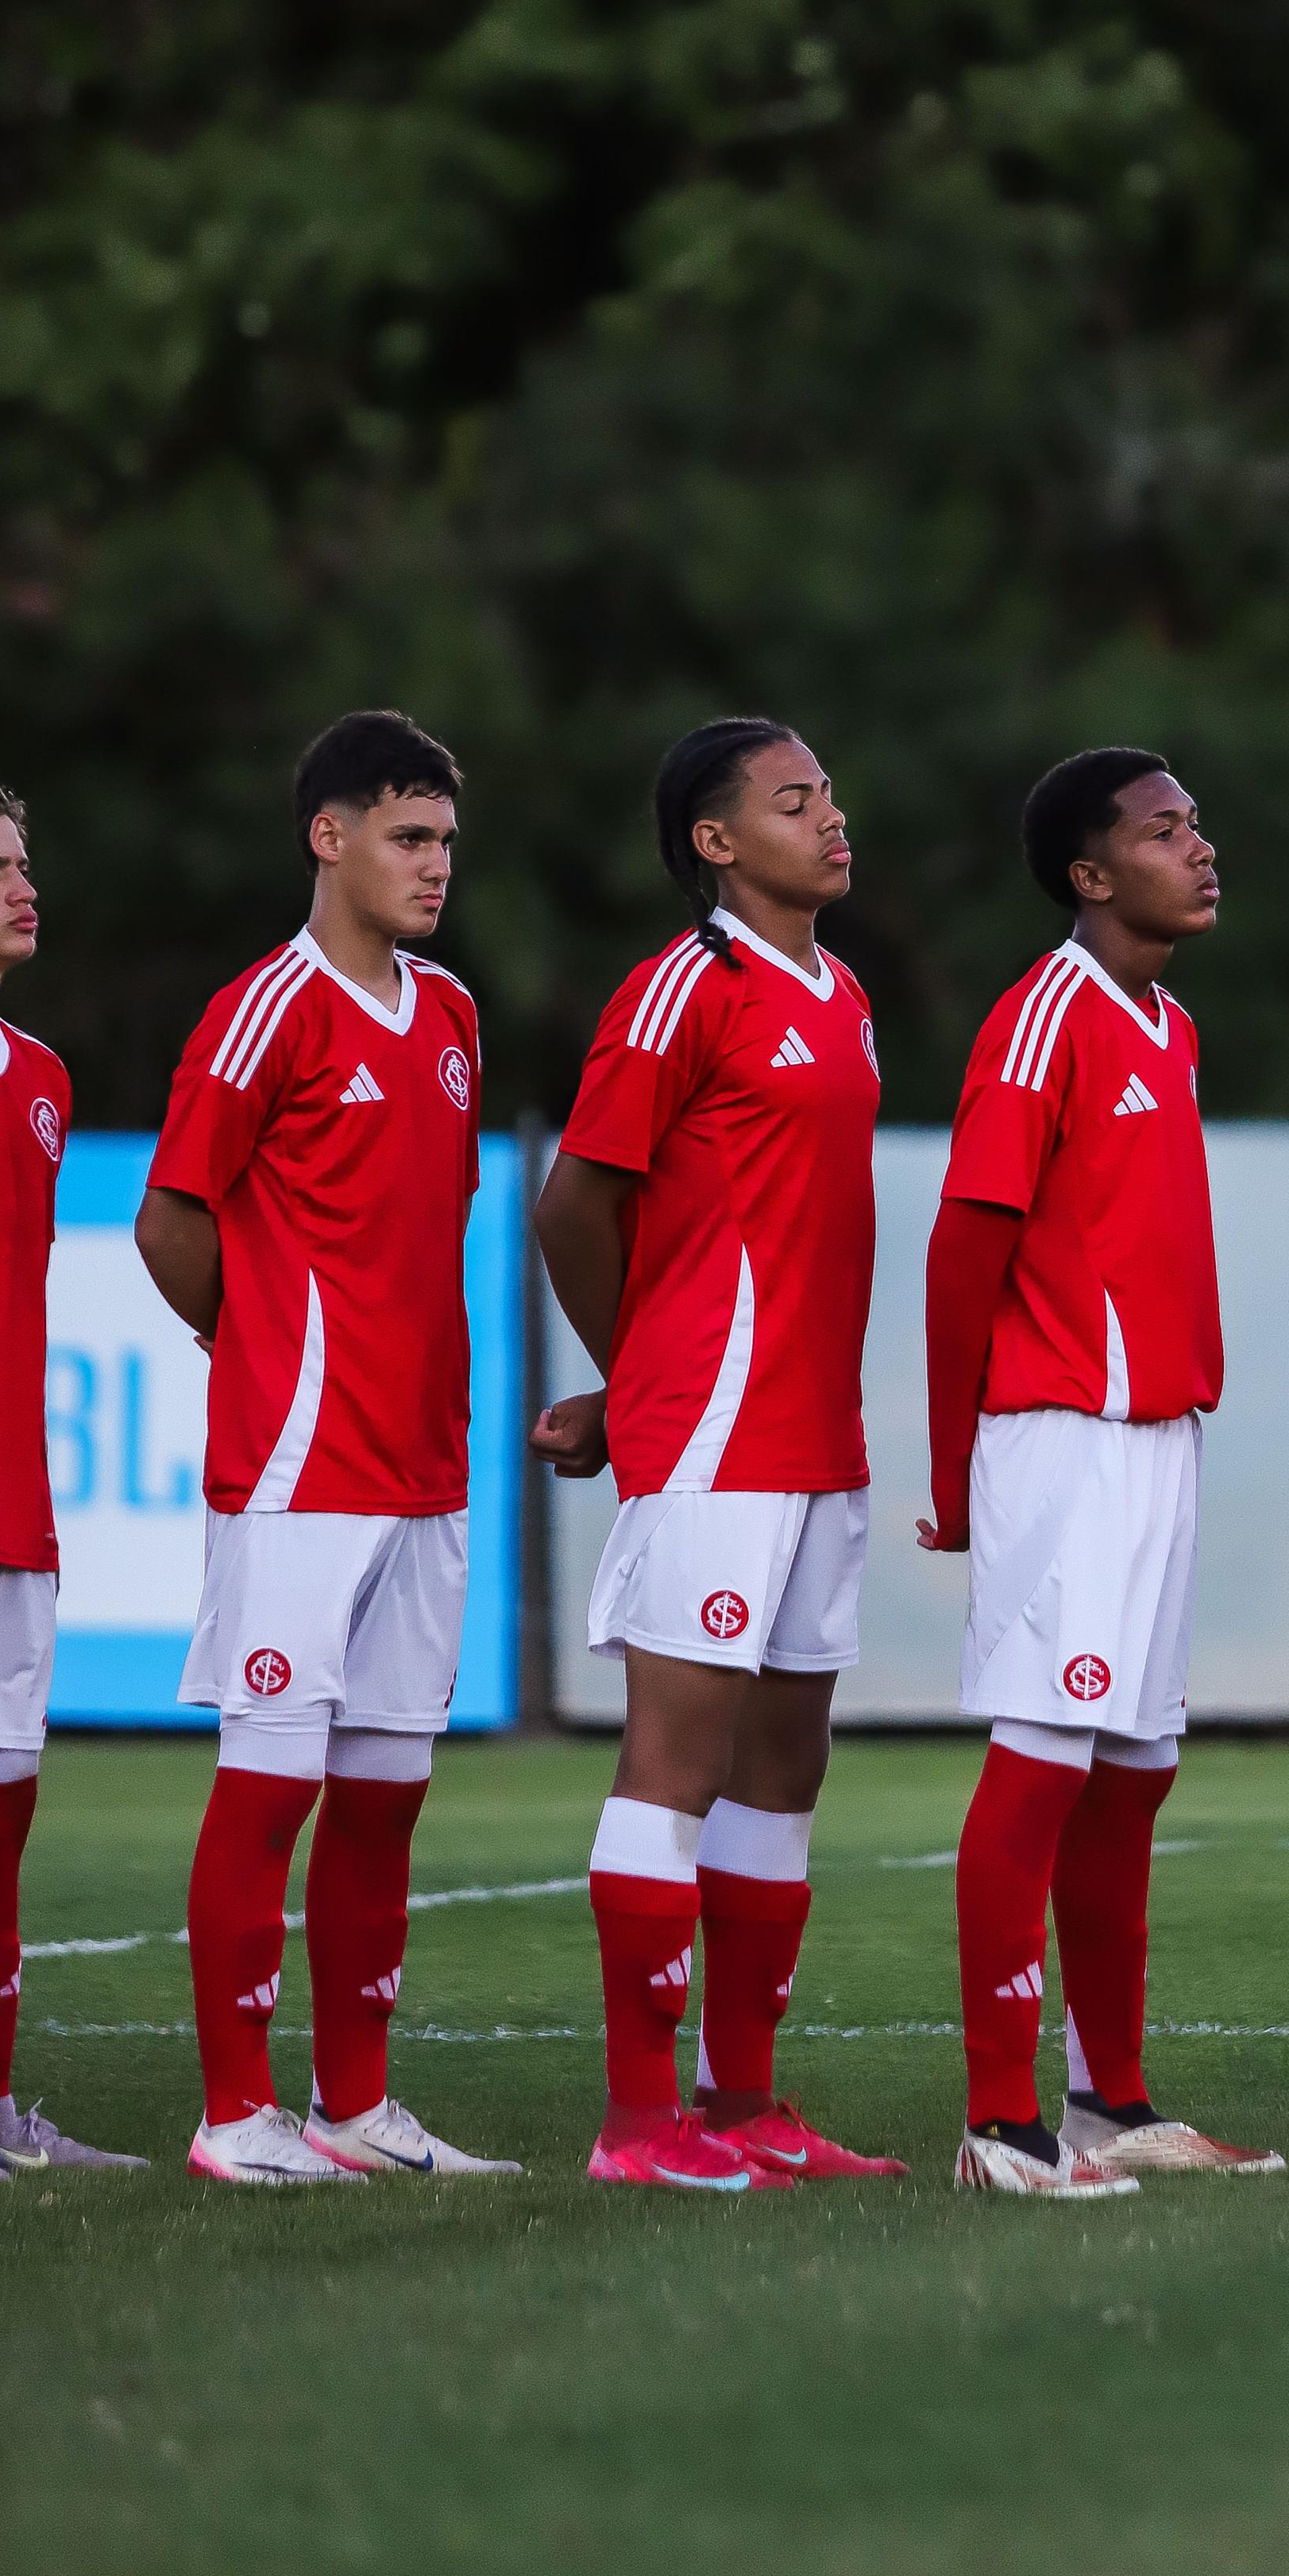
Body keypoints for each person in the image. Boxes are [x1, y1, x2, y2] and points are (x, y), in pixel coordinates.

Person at [137, 711, 516, 2184]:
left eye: (444, 843)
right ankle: (235, 2118)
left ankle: (354, 2108)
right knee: (271, 1781)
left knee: (385, 1797)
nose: (434, 867)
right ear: (330, 836)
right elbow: (172, 1219)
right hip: (300, 1470)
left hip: (429, 1466)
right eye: (409, 837)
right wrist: (270, 1353)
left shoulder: (453, 1016)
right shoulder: (267, 1010)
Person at [531, 719, 905, 2193]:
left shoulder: (847, 993)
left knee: (782, 1774)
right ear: (714, 841)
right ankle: (639, 2127)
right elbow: (574, 1205)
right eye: (794, 799)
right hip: (715, 1432)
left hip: (820, 1437)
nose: (829, 816)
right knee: (675, 1762)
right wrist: (641, 1387)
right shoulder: (681, 988)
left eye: (829, 792)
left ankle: (743, 2104)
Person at [921, 746, 1284, 2196]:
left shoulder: (1166, 1024)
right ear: (1089, 875)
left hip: (1155, 1443)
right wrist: (955, 1471)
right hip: (1057, 1438)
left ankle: (1105, 2102)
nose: (1199, 848)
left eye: (1198, 822)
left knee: (1132, 1773)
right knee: (1038, 1766)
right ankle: (998, 2125)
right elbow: (965, 1249)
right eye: (1162, 830)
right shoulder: (1040, 1019)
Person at [0, 785, 146, 2179]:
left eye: (23, 863)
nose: (22, 885)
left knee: (7, 1813)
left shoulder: (40, 1080)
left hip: (15, 1512)